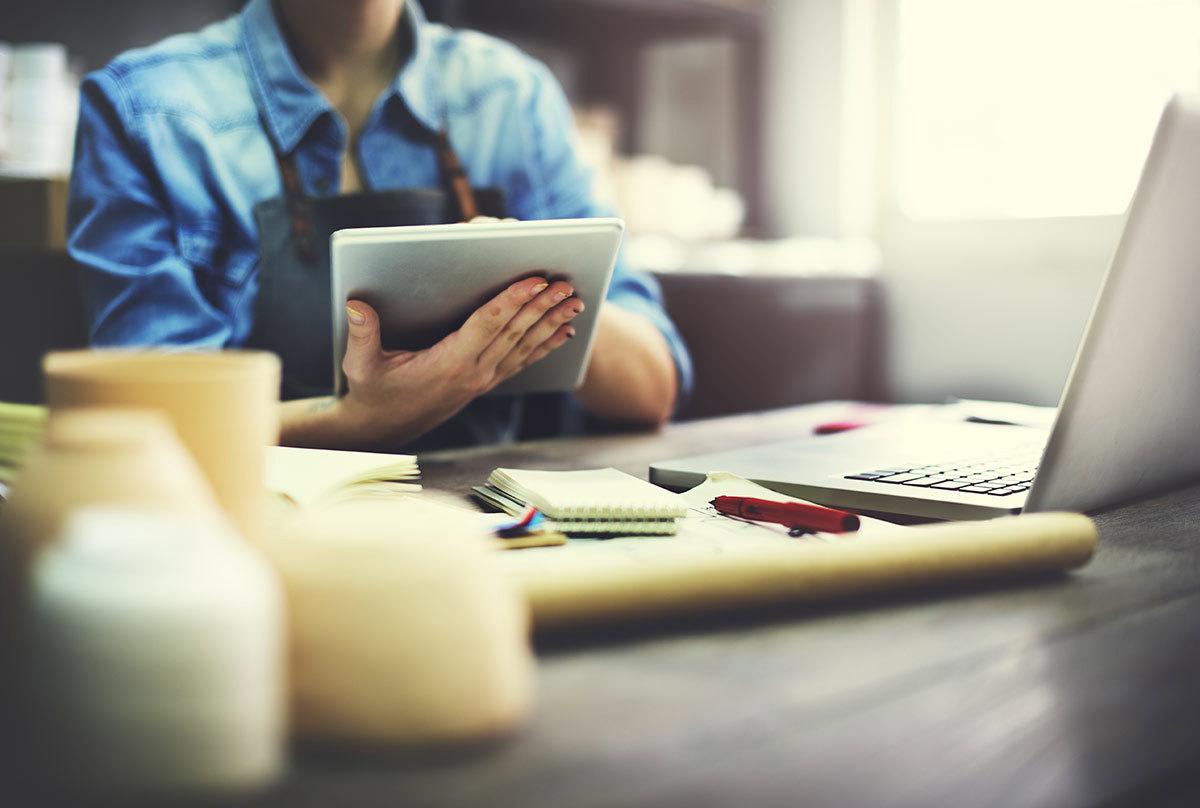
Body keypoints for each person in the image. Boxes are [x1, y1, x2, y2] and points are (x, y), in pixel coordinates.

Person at [67, 0, 692, 451]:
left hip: (493, 533)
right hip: (260, 539)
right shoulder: (142, 111)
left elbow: (650, 387)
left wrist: (533, 279)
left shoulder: (511, 95)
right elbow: (154, 424)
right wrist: (359, 423)